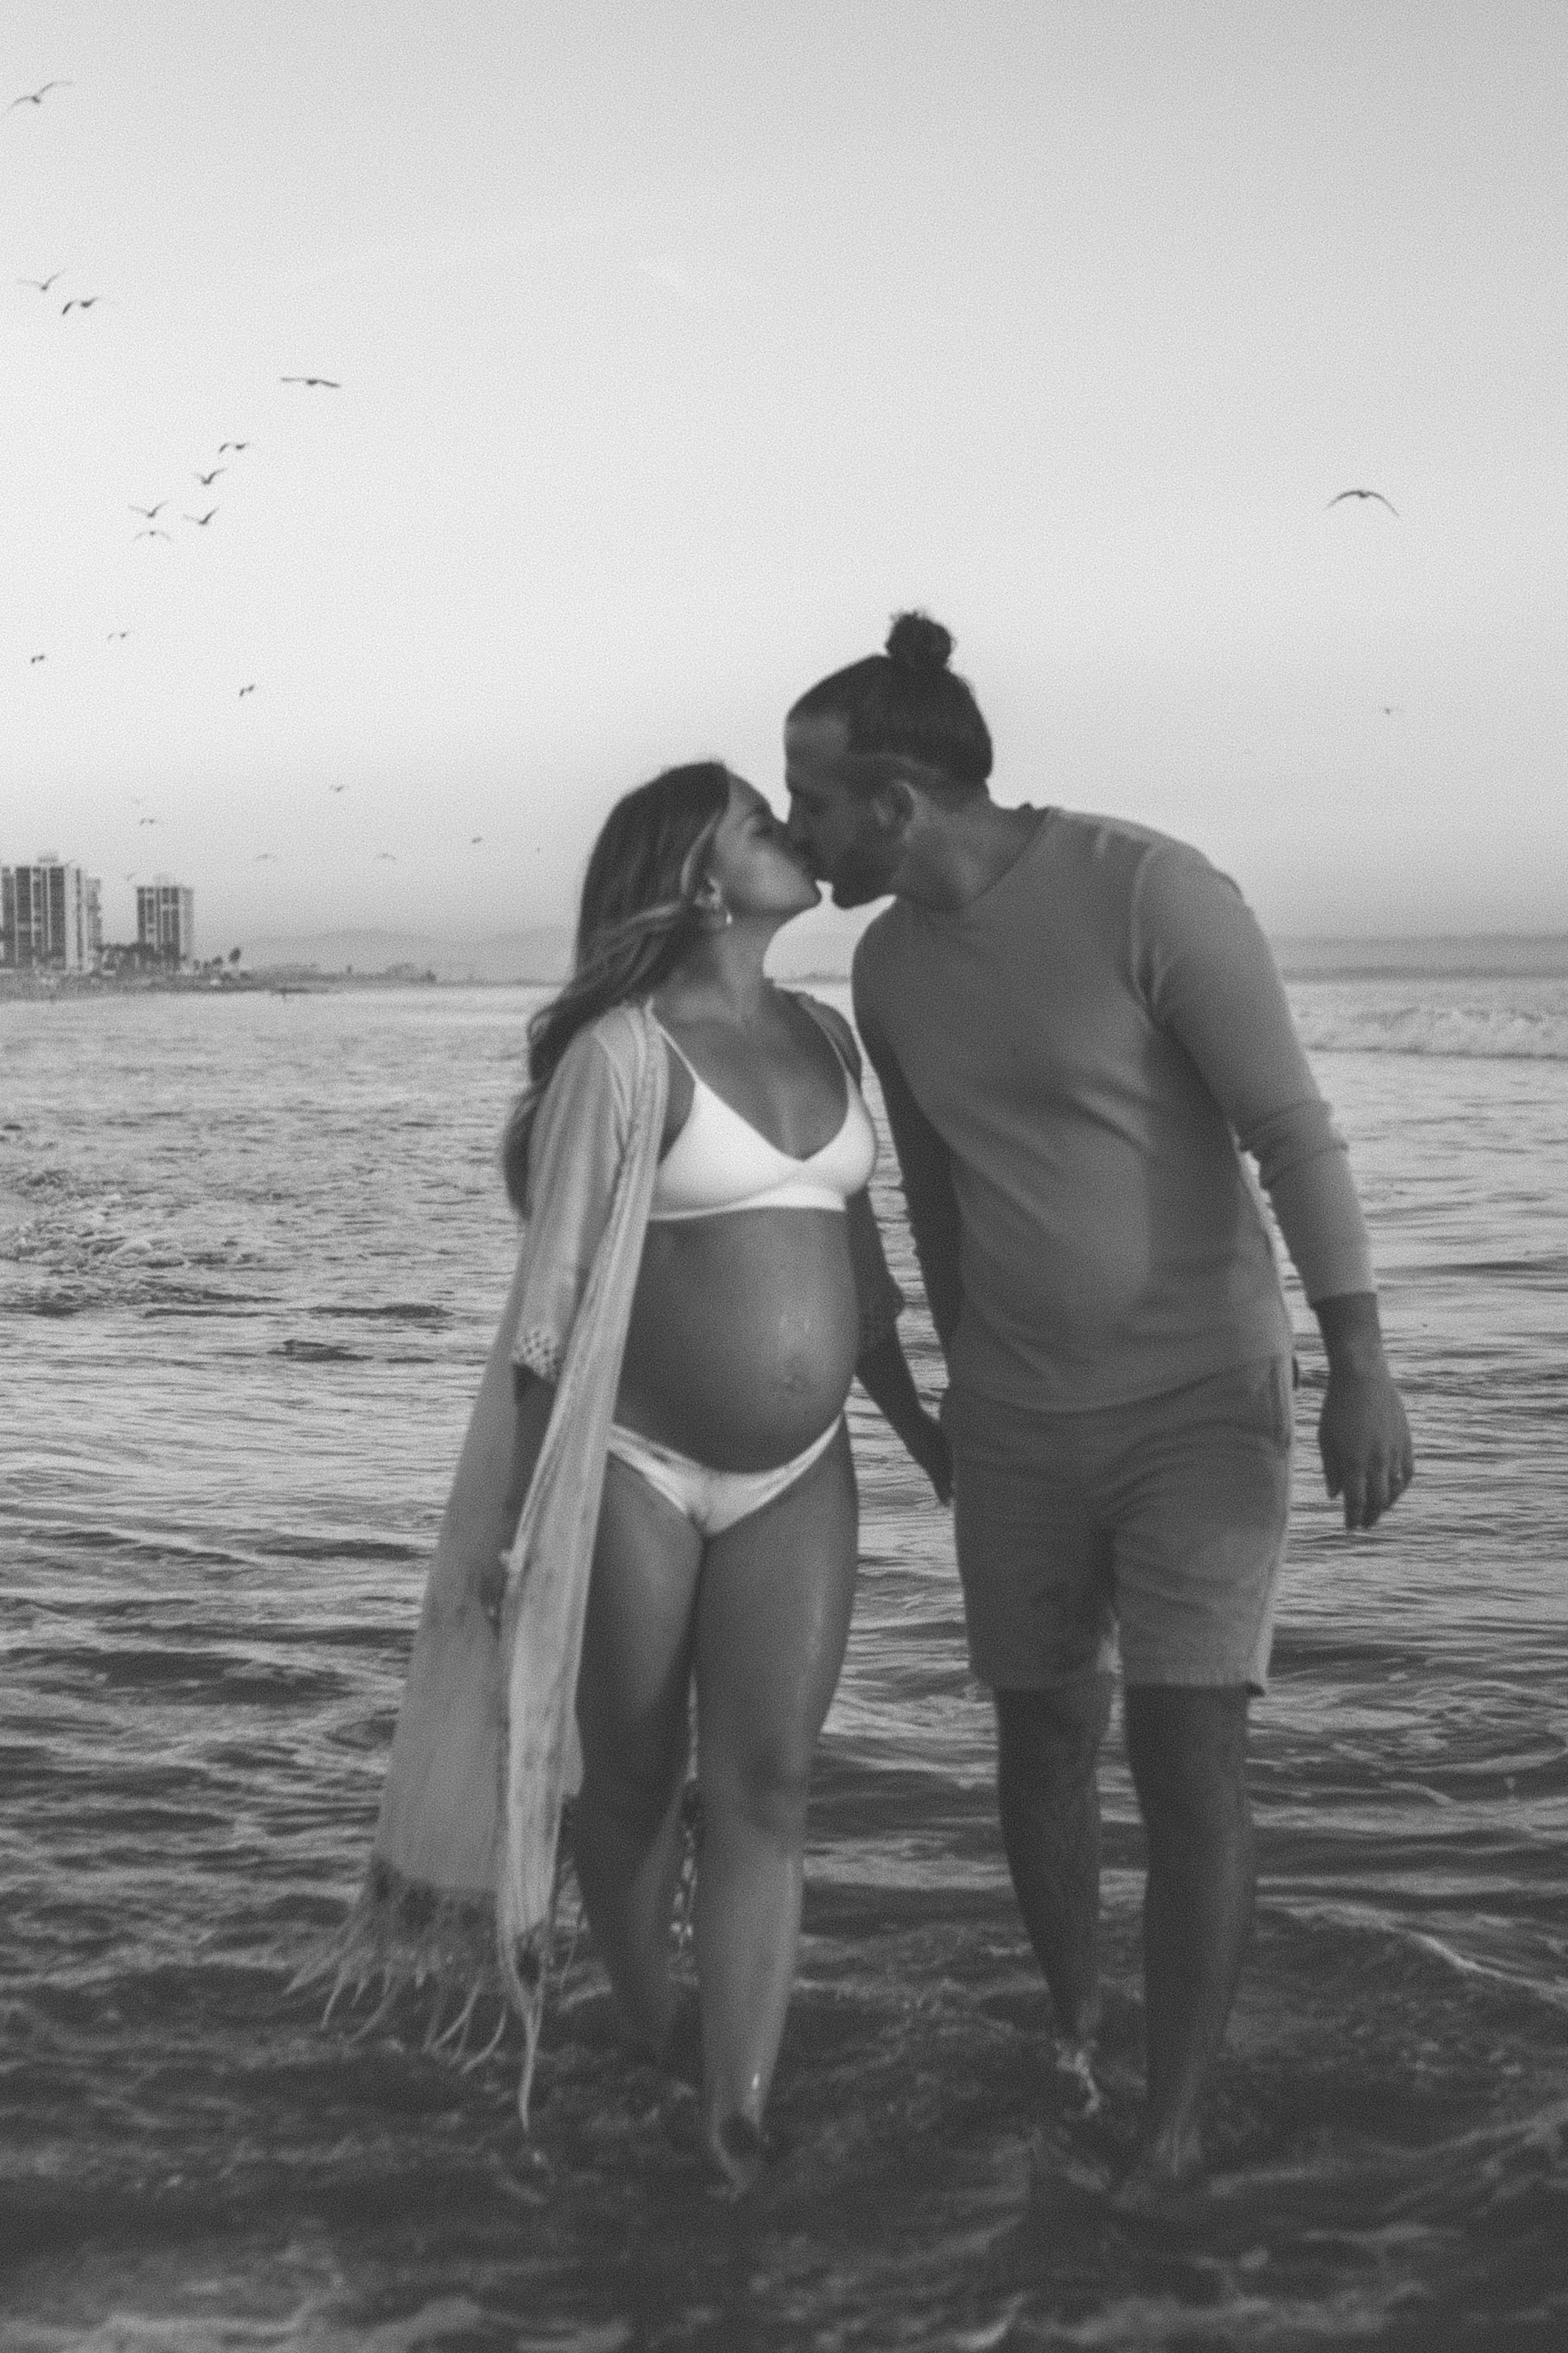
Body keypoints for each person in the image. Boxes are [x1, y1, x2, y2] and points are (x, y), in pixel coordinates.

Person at [782, 614, 1414, 2199]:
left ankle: (1172, 2125)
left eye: (810, 798)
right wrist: (941, 1396)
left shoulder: (1149, 888)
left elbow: (1291, 1130)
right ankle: (1074, 2040)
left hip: (1201, 1395)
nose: (794, 832)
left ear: (891, 796)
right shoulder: (883, 966)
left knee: (1187, 1752)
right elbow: (933, 1197)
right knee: (1040, 1737)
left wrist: (1362, 1362)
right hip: (1019, 1419)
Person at [493, 760, 946, 2190]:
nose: (793, 833)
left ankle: (731, 2117)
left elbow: (865, 1284)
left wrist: (930, 1437)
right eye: (760, 820)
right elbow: (547, 1314)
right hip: (630, 1465)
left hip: (802, 1474)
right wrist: (525, 1532)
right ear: (700, 876)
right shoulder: (621, 1057)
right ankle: (652, 2044)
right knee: (629, 1790)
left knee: (771, 1786)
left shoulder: (825, 1035)